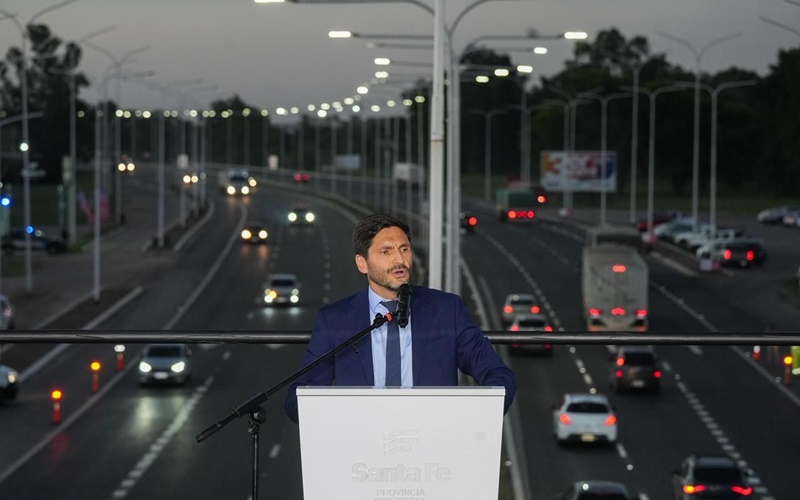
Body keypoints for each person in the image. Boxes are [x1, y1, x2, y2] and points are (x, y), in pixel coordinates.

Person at [284, 213, 516, 423]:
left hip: (433, 440)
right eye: (386, 252)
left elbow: (497, 374)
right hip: (361, 442)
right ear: (362, 263)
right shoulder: (335, 320)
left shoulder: (447, 310)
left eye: (404, 249)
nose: (399, 260)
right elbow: (300, 397)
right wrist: (342, 420)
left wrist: (473, 419)